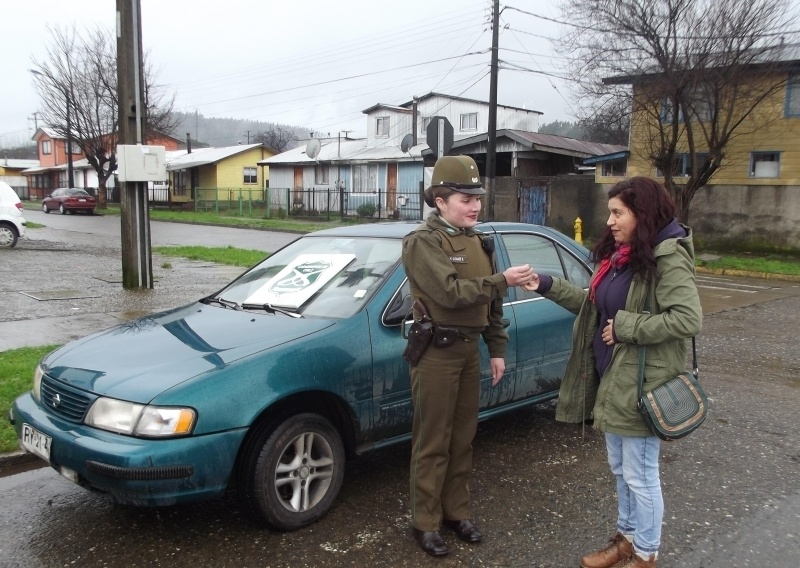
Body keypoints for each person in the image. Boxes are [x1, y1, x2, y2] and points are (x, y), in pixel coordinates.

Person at [522, 177, 702, 568]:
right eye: (611, 212)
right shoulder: (620, 255)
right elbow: (595, 308)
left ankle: (646, 553)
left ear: (643, 214)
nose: (610, 220)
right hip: (613, 378)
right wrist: (546, 284)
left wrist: (627, 327)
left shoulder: (667, 256)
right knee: (622, 469)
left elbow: (688, 318)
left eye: (618, 212)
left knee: (641, 474)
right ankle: (627, 538)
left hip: (643, 382)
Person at [401, 155, 534, 557]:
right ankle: (425, 523)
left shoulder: (480, 241)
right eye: (465, 197)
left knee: (463, 439)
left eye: (478, 196)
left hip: (468, 352)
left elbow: (494, 303)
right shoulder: (424, 242)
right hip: (436, 355)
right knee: (433, 441)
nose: (475, 205)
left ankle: (455, 513)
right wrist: (501, 280)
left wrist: (496, 349)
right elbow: (450, 293)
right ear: (440, 201)